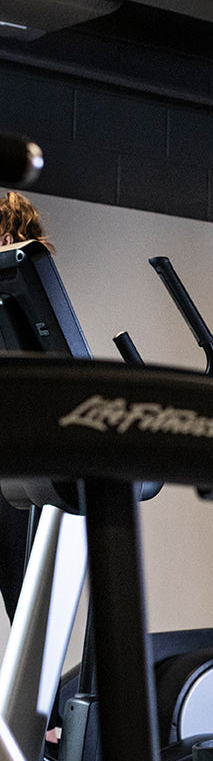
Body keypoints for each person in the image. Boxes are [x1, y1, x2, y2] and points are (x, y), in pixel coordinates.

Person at [1, 190, 54, 622]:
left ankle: (35, 689)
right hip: (18, 467)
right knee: (25, 610)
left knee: (26, 612)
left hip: (21, 472)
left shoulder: (25, 286)